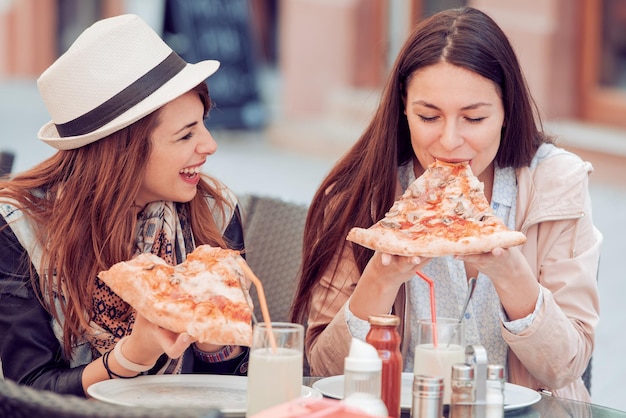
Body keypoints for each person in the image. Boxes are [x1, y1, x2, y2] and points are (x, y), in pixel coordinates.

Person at [290, 6, 601, 401]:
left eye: (473, 119)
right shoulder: (360, 194)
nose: (450, 141)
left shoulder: (557, 183)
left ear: (507, 110)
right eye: (429, 116)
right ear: (403, 107)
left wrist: (511, 276)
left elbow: (565, 368)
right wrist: (380, 279)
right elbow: (325, 370)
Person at [0, 14, 250, 396]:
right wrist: (130, 357)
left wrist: (216, 333)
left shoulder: (213, 211)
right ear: (122, 152)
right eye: (185, 135)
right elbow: (30, 389)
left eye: (203, 123)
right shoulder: (20, 230)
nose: (209, 145)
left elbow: (235, 385)